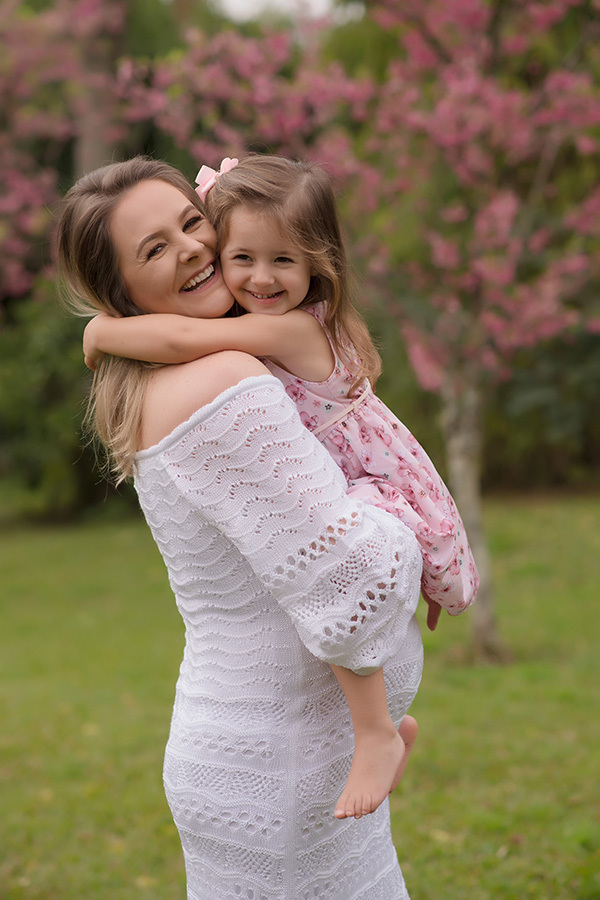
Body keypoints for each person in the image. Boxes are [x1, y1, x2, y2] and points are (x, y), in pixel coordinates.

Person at [57, 155, 426, 900]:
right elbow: (353, 578)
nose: (192, 248)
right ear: (121, 292)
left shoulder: (190, 374)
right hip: (280, 770)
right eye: (153, 249)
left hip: (273, 758)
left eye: (191, 223)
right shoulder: (226, 383)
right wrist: (404, 513)